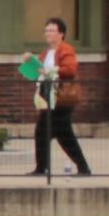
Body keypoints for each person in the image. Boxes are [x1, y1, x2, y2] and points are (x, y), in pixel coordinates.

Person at [25, 14, 95, 178]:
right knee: (48, 132)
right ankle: (44, 168)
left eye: (51, 30)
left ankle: (80, 167)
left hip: (62, 98)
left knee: (59, 132)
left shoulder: (66, 49)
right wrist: (30, 65)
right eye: (46, 30)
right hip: (49, 98)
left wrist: (50, 71)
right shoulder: (46, 52)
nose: (47, 33)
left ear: (61, 33)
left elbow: (70, 70)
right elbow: (38, 73)